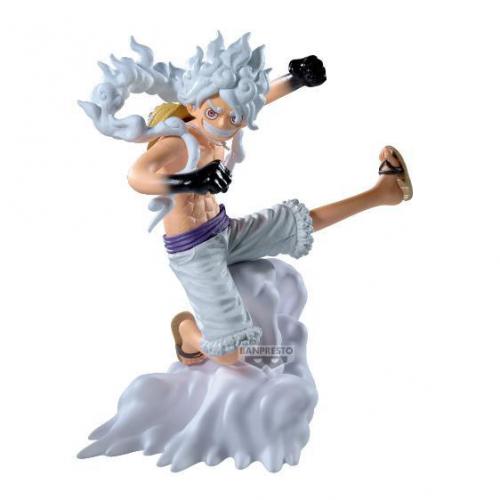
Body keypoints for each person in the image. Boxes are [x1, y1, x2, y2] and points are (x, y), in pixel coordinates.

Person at [81, 33, 413, 367]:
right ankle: (187, 333)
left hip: (224, 230)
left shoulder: (225, 122)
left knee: (299, 222)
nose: (223, 124)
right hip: (194, 252)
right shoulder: (179, 139)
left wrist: (295, 79)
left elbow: (255, 99)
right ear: (194, 105)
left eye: (234, 118)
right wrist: (190, 180)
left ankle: (383, 193)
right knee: (231, 354)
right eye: (213, 113)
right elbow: (137, 176)